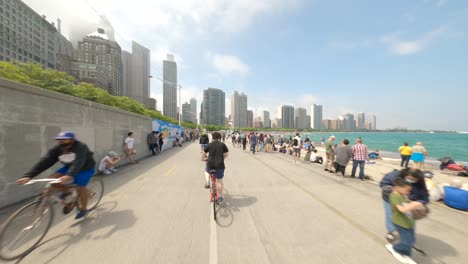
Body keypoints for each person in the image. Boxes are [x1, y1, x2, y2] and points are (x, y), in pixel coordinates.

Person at [16, 131, 96, 219]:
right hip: (69, 166)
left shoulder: (81, 146)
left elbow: (79, 162)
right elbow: (45, 161)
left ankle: (84, 209)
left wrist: (69, 175)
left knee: (80, 188)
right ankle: (67, 192)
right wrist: (29, 176)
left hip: (85, 168)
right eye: (59, 140)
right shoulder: (58, 149)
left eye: (64, 140)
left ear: (72, 140)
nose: (61, 142)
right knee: (52, 180)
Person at [380, 168, 429, 254]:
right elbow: (383, 184)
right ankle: (391, 232)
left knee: (409, 220)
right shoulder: (394, 175)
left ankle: (409, 242)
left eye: (414, 180)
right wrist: (396, 191)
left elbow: (425, 196)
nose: (412, 181)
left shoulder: (420, 182)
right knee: (391, 216)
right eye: (410, 179)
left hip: (409, 202)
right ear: (405, 175)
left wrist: (419, 203)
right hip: (390, 199)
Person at [385, 178, 417, 264]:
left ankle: (406, 254)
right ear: (398, 187)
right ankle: (395, 248)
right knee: (406, 241)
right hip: (400, 223)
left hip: (408, 222)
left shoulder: (402, 195)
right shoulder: (394, 196)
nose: (408, 193)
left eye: (409, 191)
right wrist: (412, 205)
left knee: (411, 240)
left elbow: (407, 203)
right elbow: (401, 209)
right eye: (407, 190)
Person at [202, 132, 229, 203]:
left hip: (210, 164)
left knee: (206, 171)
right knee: (219, 181)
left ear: (212, 137)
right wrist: (222, 158)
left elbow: (204, 154)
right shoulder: (222, 144)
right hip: (220, 165)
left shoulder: (209, 145)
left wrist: (203, 158)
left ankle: (208, 182)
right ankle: (220, 196)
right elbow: (226, 154)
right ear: (219, 137)